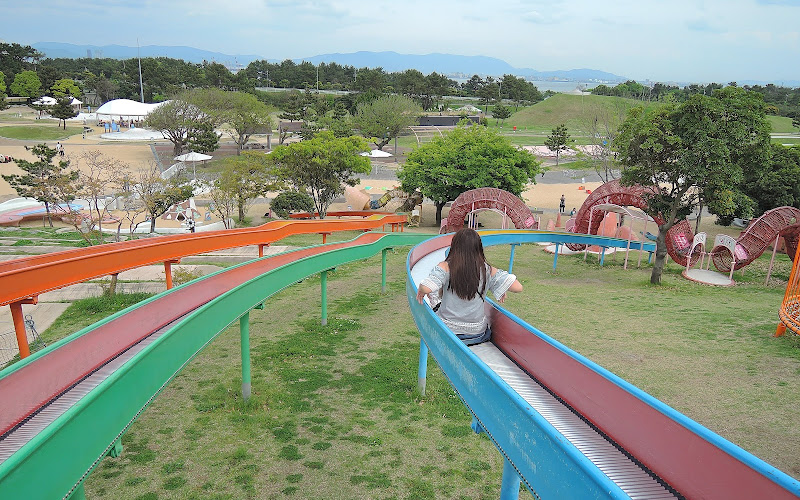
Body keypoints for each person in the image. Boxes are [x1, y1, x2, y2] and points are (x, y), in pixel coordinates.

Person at [416, 228, 523, 345]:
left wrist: (421, 289)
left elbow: (427, 288)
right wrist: (501, 286)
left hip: (449, 331)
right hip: (476, 334)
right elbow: (518, 287)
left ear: (455, 247)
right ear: (478, 248)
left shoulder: (446, 266)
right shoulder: (487, 269)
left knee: (436, 304)